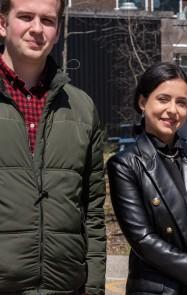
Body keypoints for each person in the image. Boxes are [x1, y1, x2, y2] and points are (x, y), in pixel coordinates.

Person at [0, 0, 106, 293]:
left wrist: (95, 287)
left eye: (48, 20)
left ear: (58, 31)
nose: (37, 29)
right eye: (25, 17)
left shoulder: (82, 108)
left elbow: (93, 213)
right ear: (2, 23)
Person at [107, 63, 187, 295]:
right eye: (163, 99)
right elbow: (144, 240)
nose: (172, 110)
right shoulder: (125, 164)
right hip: (157, 289)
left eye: (181, 102)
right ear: (142, 102)